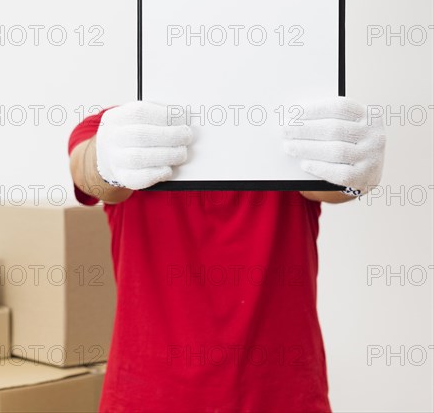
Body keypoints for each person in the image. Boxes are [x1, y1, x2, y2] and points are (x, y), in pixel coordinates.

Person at [68, 97, 385, 413]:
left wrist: (352, 162)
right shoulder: (126, 126)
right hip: (149, 398)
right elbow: (88, 174)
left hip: (281, 397)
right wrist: (105, 159)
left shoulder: (290, 126)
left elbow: (331, 186)